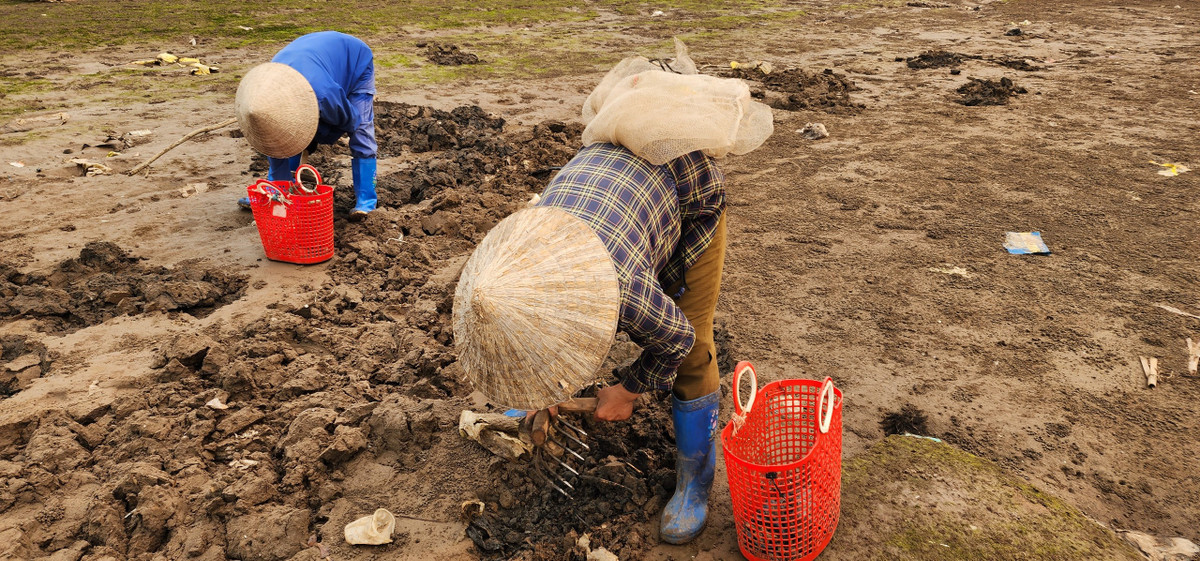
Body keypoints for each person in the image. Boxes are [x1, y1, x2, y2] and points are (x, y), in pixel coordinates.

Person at [234, 31, 377, 218]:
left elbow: (349, 120)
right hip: (310, 59)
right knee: (278, 134)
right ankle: (278, 191)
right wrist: (278, 189)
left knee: (361, 132)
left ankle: (366, 201)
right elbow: (276, 140)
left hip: (355, 61)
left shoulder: (324, 95)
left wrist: (314, 136)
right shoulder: (264, 93)